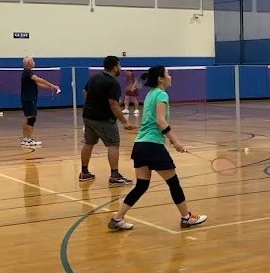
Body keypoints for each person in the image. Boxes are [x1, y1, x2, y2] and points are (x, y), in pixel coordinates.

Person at [108, 66, 207, 231]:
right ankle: (186, 217)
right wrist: (175, 141)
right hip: (152, 146)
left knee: (141, 185)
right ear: (160, 79)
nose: (170, 77)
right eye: (167, 74)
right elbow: (161, 121)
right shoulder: (161, 94)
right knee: (173, 183)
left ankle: (117, 219)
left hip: (140, 145)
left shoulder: (150, 94)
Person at [80, 55, 135, 184]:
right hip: (104, 119)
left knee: (88, 143)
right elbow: (113, 104)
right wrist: (125, 122)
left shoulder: (94, 78)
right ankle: (115, 176)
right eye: (119, 65)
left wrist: (94, 102)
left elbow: (85, 92)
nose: (120, 68)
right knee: (113, 145)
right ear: (115, 67)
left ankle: (84, 172)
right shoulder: (112, 83)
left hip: (88, 116)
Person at [20, 57, 60, 147]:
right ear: (29, 63)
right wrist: (51, 84)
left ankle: (25, 139)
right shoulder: (28, 72)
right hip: (29, 99)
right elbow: (39, 80)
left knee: (28, 118)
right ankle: (28, 140)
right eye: (33, 61)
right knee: (31, 119)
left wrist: (51, 87)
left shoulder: (27, 73)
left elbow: (39, 84)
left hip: (28, 99)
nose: (34, 62)